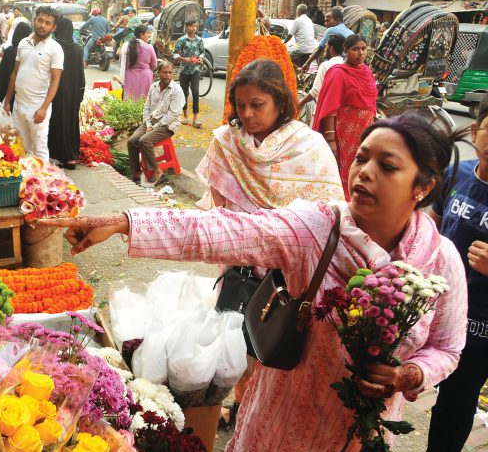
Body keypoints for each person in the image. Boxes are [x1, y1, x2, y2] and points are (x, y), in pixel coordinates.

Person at [44, 112, 469, 452]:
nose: (365, 172)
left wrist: (409, 375)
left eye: (387, 166)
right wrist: (124, 223)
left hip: (362, 434)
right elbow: (219, 231)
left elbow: (448, 348)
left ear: (424, 186)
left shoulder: (438, 261)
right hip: (283, 423)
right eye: (361, 158)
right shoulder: (317, 228)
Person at [196, 59, 344, 431]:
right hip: (240, 268)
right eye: (240, 105)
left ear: (280, 101)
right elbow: (218, 209)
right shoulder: (226, 143)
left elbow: (328, 216)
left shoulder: (308, 146)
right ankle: (242, 410)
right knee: (239, 349)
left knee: (277, 350)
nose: (247, 114)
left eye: (257, 105)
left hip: (289, 275)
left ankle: (263, 419)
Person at [428, 94, 488, 452]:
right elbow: (429, 229)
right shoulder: (457, 173)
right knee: (439, 395)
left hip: (482, 324)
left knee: (456, 402)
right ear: (478, 129)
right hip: (443, 308)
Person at [312, 34, 377, 199]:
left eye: (363, 49)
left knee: (360, 167)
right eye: (355, 49)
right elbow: (330, 107)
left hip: (364, 131)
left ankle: (355, 200)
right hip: (344, 132)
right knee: (343, 169)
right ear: (346, 51)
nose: (360, 53)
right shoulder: (338, 73)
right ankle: (342, 203)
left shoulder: (366, 71)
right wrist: (331, 139)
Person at [3, 6, 64, 162]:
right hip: (19, 105)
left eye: (48, 23)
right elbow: (14, 74)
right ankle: (26, 182)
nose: (42, 25)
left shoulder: (55, 49)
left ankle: (42, 184)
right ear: (34, 20)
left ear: (53, 27)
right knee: (22, 148)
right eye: (40, 20)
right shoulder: (23, 43)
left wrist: (44, 108)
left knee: (39, 150)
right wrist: (8, 100)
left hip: (38, 107)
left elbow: (55, 80)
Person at [127, 61, 184, 187]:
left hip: (166, 125)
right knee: (132, 141)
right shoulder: (153, 86)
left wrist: (155, 127)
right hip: (151, 122)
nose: (168, 75)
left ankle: (157, 170)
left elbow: (173, 114)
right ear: (159, 73)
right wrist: (148, 124)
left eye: (170, 73)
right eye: (165, 72)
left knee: (144, 141)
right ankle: (136, 172)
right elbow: (146, 107)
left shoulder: (176, 90)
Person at [49, 18, 85, 170]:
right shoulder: (77, 49)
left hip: (56, 91)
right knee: (71, 122)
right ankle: (71, 157)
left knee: (57, 121)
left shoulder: (55, 47)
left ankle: (60, 155)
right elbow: (81, 73)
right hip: (73, 92)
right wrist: (81, 92)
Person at [0, 21, 32, 111]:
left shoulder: (9, 51)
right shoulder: (32, 51)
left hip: (11, 93)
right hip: (27, 94)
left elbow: (2, 74)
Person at [298, 34, 345, 110]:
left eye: (326, 46)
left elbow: (315, 91)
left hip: (325, 108)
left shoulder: (326, 65)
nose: (325, 50)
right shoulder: (345, 65)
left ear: (331, 48)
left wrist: (300, 103)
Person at [173, 18, 205, 128]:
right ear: (186, 27)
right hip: (184, 71)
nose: (194, 28)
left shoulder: (199, 40)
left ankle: (196, 117)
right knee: (184, 93)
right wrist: (182, 59)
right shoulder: (181, 40)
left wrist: (200, 59)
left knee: (195, 93)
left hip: (195, 70)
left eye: (195, 26)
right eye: (191, 26)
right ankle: (185, 115)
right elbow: (174, 54)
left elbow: (202, 53)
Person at [301, 7, 354, 72]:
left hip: (336, 65)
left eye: (328, 21)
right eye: (325, 21)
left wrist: (307, 64)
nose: (325, 23)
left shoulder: (331, 30)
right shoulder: (350, 32)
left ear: (337, 20)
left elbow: (319, 50)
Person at [116, 24, 157, 100]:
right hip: (145, 77)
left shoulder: (126, 46)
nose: (149, 35)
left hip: (129, 77)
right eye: (147, 33)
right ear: (141, 35)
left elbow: (121, 62)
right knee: (144, 101)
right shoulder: (149, 47)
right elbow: (154, 66)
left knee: (130, 100)